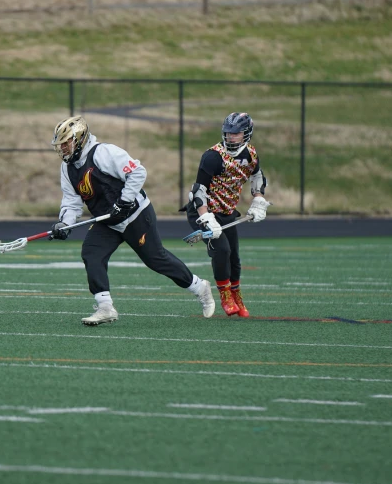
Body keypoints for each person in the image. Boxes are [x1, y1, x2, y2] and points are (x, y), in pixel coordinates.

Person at [49, 115, 216, 326]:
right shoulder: (67, 168)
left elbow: (138, 171)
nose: (63, 148)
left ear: (80, 138)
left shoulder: (103, 152)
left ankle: (200, 287)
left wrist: (124, 200)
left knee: (156, 259)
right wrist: (65, 223)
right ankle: (105, 307)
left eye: (66, 143)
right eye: (60, 144)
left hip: (135, 214)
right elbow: (72, 201)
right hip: (107, 220)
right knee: (91, 253)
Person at [183, 112, 271, 318]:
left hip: (227, 211)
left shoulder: (251, 154)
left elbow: (257, 176)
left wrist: (258, 200)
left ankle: (236, 293)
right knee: (221, 250)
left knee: (234, 257)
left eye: (236, 134)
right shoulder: (213, 156)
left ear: (246, 133)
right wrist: (206, 218)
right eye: (227, 133)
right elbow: (198, 191)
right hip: (203, 210)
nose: (231, 137)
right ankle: (224, 293)